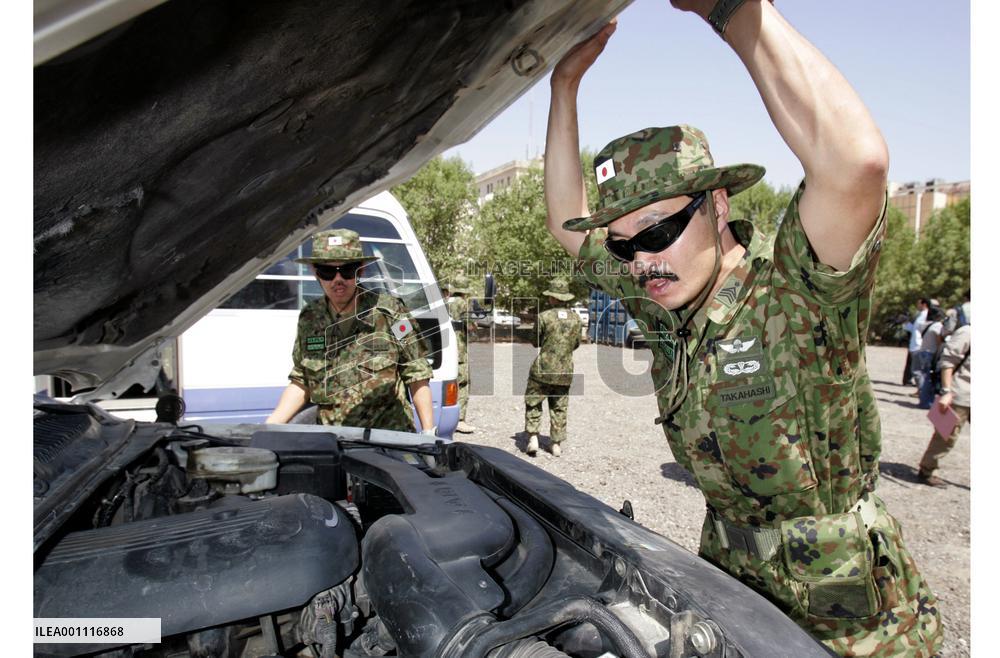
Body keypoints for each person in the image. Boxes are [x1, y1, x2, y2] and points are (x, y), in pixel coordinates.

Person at [542, 4, 941, 655]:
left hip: (844, 612)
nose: (643, 259)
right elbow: (569, 226)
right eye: (623, 246)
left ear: (718, 203)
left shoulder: (795, 287)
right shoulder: (664, 304)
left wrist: (732, 12)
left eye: (661, 229)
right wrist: (563, 88)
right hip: (731, 586)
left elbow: (858, 165)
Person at [266, 229, 436, 434]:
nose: (338, 279)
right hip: (332, 443)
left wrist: (428, 434)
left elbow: (416, 372)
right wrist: (270, 425)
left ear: (361, 269)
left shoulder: (391, 312)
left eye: (347, 270)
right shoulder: (310, 318)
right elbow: (302, 380)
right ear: (314, 272)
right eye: (327, 272)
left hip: (388, 441)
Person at [524, 278, 581, 457]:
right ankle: (555, 444)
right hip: (565, 370)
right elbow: (576, 343)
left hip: (542, 369)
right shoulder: (576, 319)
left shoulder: (543, 317)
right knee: (559, 406)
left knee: (533, 401)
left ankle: (533, 437)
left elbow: (535, 341)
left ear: (552, 298)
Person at [917, 309, 971, 487]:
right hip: (960, 394)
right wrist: (946, 391)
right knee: (946, 436)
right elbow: (948, 362)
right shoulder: (967, 332)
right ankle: (927, 469)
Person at [445, 274, 476, 434]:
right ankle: (459, 420)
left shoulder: (444, 302)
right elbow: (470, 326)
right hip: (459, 351)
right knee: (462, 384)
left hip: (443, 349)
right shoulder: (463, 304)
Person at [914, 306, 947, 410]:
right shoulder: (937, 326)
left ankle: (923, 400)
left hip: (923, 352)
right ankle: (927, 402)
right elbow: (939, 342)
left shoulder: (925, 324)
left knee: (924, 377)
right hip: (931, 354)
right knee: (928, 379)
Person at [901, 298, 929, 386]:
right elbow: (914, 329)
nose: (917, 306)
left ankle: (921, 390)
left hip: (919, 345)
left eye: (919, 304)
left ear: (924, 304)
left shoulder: (926, 315)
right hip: (914, 344)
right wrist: (905, 323)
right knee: (915, 370)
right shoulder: (920, 315)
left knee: (918, 371)